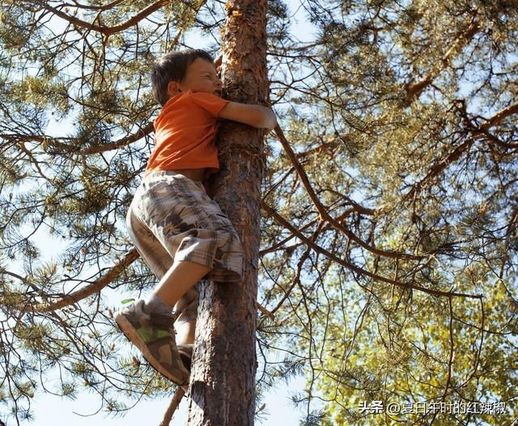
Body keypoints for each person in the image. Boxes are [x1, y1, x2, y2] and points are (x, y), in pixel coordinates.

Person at [115, 49, 276, 386]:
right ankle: (150, 311)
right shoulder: (193, 100)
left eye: (218, 78)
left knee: (191, 296)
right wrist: (264, 109)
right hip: (168, 184)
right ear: (177, 88)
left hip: (145, 207)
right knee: (213, 238)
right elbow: (262, 119)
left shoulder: (180, 111)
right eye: (208, 77)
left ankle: (185, 352)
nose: (217, 84)